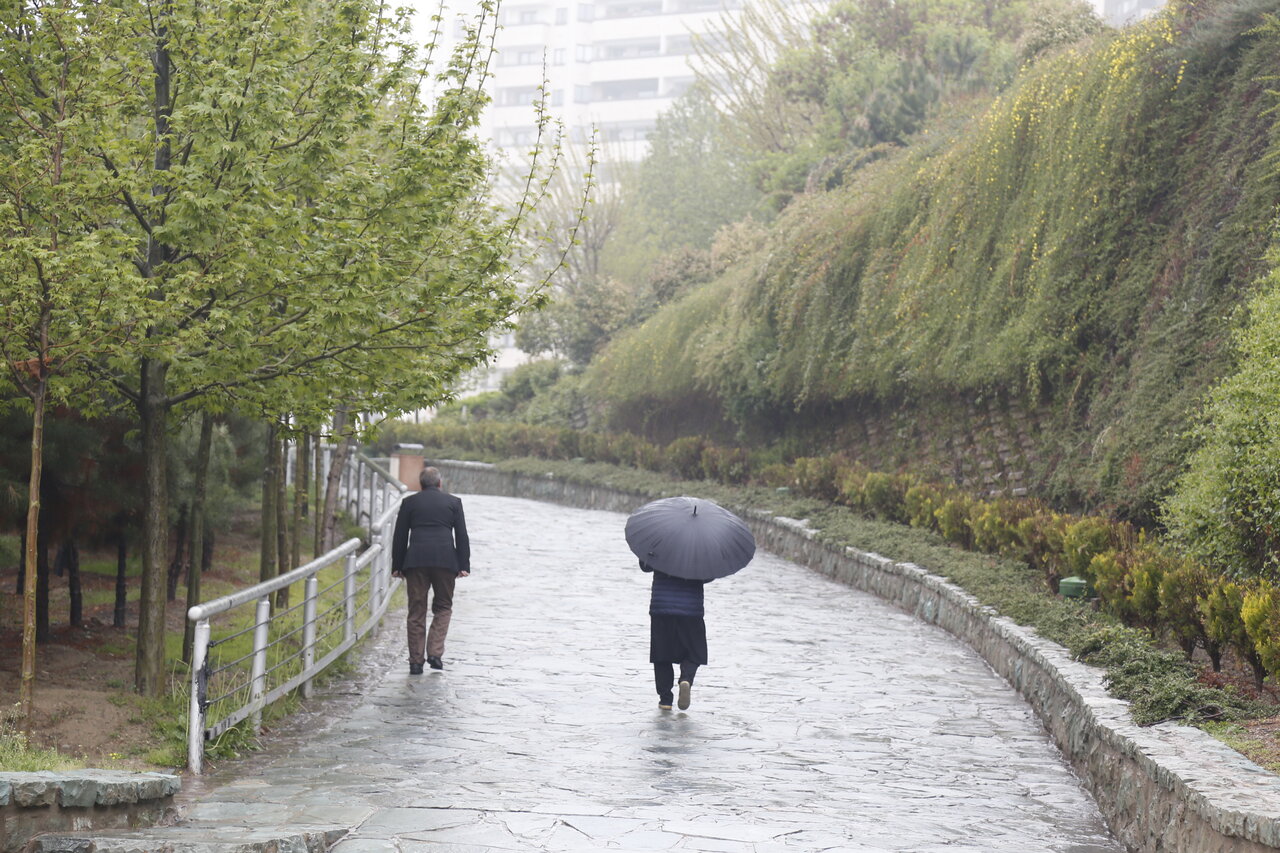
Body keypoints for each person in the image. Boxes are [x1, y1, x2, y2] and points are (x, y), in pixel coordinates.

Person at [391, 466, 470, 674]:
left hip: (416, 561)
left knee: (416, 611)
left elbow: (400, 536)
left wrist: (397, 565)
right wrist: (464, 565)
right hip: (445, 561)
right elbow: (461, 535)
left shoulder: (410, 503)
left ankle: (416, 662)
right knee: (443, 607)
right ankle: (435, 653)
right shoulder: (453, 503)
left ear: (421, 484)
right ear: (440, 483)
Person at [641, 560, 710, 710]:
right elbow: (708, 576)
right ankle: (686, 679)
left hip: (661, 607)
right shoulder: (700, 547)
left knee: (662, 654)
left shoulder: (660, 540)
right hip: (691, 609)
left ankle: (665, 699)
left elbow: (645, 566)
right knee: (695, 651)